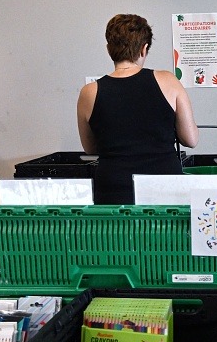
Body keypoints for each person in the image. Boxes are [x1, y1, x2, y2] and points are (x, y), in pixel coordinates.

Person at [77, 14, 198, 204]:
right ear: (144, 49)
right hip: (165, 188)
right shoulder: (168, 81)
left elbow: (90, 147)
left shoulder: (89, 92)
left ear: (109, 49)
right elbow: (190, 139)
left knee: (116, 234)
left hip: (113, 190)